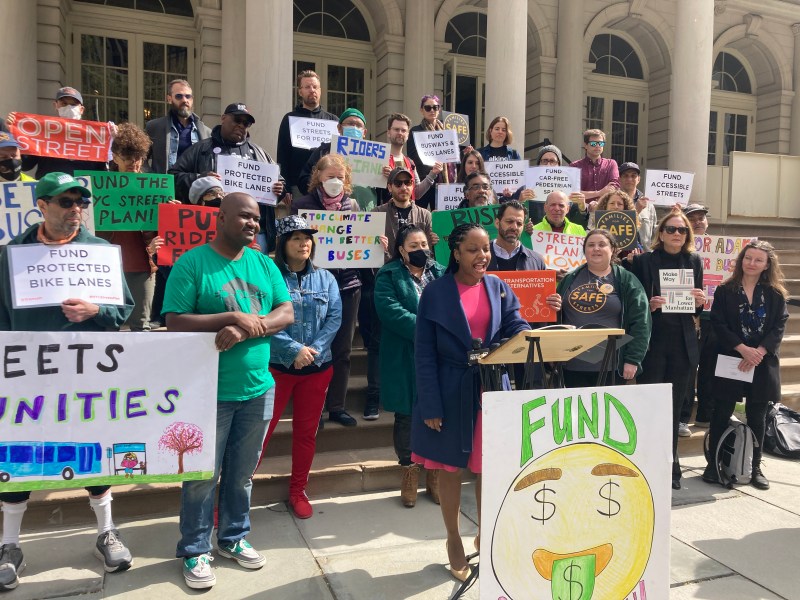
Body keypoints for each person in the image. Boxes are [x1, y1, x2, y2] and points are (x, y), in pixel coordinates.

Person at [0, 172, 135, 591]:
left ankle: (106, 532)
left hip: (88, 373)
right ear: (41, 206)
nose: (76, 209)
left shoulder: (99, 252)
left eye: (81, 202)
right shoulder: (10, 256)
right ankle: (9, 546)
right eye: (65, 202)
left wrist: (97, 310)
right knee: (18, 455)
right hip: (28, 376)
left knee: (93, 448)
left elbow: (124, 309)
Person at [163, 192, 294, 590]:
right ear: (219, 219)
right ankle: (195, 549)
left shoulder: (264, 263)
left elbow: (285, 312)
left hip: (257, 388)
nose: (252, 224)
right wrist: (230, 315)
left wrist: (243, 327)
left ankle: (233, 538)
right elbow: (175, 321)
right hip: (209, 391)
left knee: (241, 475)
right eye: (243, 217)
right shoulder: (193, 263)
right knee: (203, 476)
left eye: (256, 219)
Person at [412, 223, 530, 581]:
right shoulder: (435, 293)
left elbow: (515, 323)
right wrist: (430, 405)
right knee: (451, 469)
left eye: (485, 250)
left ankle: (484, 530)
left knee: (487, 467)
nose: (482, 257)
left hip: (490, 388)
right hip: (449, 390)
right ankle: (453, 540)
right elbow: (424, 354)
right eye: (473, 250)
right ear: (457, 253)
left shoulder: (498, 286)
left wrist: (525, 332)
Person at [257, 215, 342, 518]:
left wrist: (313, 350)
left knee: (306, 434)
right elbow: (264, 318)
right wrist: (293, 349)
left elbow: (334, 318)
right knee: (259, 434)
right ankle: (231, 495)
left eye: (307, 237)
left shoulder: (326, 278)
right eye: (296, 237)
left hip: (316, 370)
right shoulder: (268, 277)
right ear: (282, 243)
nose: (303, 242)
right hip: (277, 368)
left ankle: (297, 490)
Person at [702, 241, 788, 490]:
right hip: (731, 357)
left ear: (767, 264)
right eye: (748, 258)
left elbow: (779, 326)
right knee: (721, 411)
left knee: (757, 416)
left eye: (758, 260)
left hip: (761, 361)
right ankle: (713, 464)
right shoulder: (725, 290)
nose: (752, 263)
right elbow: (718, 323)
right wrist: (742, 349)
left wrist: (758, 352)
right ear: (741, 260)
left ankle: (755, 466)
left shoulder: (775, 293)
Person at [629, 209, 705, 490]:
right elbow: (635, 302)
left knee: (673, 408)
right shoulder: (646, 261)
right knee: (650, 405)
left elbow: (697, 307)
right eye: (671, 229)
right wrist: (649, 305)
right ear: (660, 233)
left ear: (688, 234)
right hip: (654, 342)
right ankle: (646, 463)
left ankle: (671, 465)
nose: (677, 234)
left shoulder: (694, 260)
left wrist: (700, 300)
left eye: (682, 230)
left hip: (683, 343)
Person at [375, 224, 446, 508]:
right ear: (401, 250)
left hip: (441, 356)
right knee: (407, 415)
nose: (420, 250)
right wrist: (428, 329)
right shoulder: (388, 275)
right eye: (413, 246)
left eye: (424, 245)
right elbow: (389, 309)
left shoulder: (441, 272)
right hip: (405, 353)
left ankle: (436, 475)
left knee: (440, 412)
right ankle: (409, 473)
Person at [293, 154, 364, 427]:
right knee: (314, 347)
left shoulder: (353, 206)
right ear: (318, 177)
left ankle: (337, 406)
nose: (335, 181)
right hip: (313, 288)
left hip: (347, 286)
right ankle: (315, 410)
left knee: (342, 350)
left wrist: (374, 243)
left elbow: (360, 242)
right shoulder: (303, 206)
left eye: (340, 176)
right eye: (329, 176)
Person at [169, 102, 286, 253]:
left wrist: (279, 189)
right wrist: (201, 177)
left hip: (253, 233)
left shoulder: (259, 153)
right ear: (223, 118)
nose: (241, 125)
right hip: (211, 228)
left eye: (246, 123)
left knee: (249, 275)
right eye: (237, 120)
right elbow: (173, 176)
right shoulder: (202, 148)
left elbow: (280, 182)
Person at [555, 229, 651, 387]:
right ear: (584, 251)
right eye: (591, 245)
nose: (596, 249)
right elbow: (556, 317)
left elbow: (642, 322)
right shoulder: (569, 279)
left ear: (612, 249)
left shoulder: (627, 280)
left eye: (602, 244)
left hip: (611, 365)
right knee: (577, 412)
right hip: (573, 364)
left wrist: (633, 359)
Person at [97, 122, 165, 331]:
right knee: (109, 326)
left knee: (141, 326)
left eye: (137, 159)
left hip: (142, 266)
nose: (132, 164)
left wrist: (169, 216)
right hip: (106, 267)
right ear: (115, 157)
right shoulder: (100, 187)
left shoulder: (154, 189)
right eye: (126, 158)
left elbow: (167, 233)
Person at [7, 87, 109, 178]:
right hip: (49, 194)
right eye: (64, 103)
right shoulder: (41, 132)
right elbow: (26, 165)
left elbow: (103, 171)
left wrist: (111, 139)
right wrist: (14, 133)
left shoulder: (94, 135)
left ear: (81, 109)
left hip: (83, 193)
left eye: (73, 104)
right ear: (55, 105)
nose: (69, 107)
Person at [678, 203, 715, 433]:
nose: (698, 221)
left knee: (711, 367)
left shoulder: (722, 248)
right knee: (689, 368)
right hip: (690, 316)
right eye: (692, 218)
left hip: (717, 318)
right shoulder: (681, 248)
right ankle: (683, 416)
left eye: (701, 217)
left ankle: (706, 414)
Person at [276, 70, 338, 194]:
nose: (312, 90)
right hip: (297, 187)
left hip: (329, 186)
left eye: (315, 87)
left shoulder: (333, 120)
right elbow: (283, 155)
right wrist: (285, 188)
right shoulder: (290, 119)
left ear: (320, 90)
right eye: (307, 87)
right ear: (300, 91)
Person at [145, 79, 211, 174]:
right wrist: (153, 180)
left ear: (192, 99)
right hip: (165, 186)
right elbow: (141, 158)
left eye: (188, 96)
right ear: (169, 99)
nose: (184, 100)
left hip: (194, 186)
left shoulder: (207, 133)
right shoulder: (153, 127)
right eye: (179, 96)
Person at [298, 108, 369, 196]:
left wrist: (386, 176)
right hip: (328, 207)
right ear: (339, 128)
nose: (354, 128)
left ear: (364, 132)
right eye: (350, 124)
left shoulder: (376, 157)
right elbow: (304, 180)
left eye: (358, 125)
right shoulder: (323, 151)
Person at [406, 95, 457, 210]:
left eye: (435, 107)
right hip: (424, 181)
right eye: (428, 108)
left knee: (439, 218)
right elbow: (412, 156)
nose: (432, 110)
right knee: (420, 216)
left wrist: (465, 152)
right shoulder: (415, 131)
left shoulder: (446, 132)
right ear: (421, 110)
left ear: (439, 110)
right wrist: (434, 158)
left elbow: (452, 158)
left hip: (442, 184)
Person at [379, 112, 441, 205]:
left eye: (403, 130)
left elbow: (417, 193)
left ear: (407, 135)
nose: (400, 133)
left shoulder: (410, 163)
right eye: (396, 129)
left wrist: (433, 173)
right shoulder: (379, 159)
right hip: (386, 216)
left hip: (408, 216)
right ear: (388, 133)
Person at [534, 144, 588, 226]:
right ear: (539, 164)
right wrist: (521, 201)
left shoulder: (569, 189)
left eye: (552, 161)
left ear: (559, 165)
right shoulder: (529, 190)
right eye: (544, 161)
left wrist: (582, 209)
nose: (548, 165)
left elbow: (579, 224)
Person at [487, 200, 545, 271]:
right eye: (509, 221)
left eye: (519, 223)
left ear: (523, 226)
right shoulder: (479, 257)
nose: (514, 227)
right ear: (497, 223)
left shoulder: (537, 262)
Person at [570, 128, 619, 202]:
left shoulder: (611, 164)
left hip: (604, 210)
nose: (597, 146)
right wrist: (599, 193)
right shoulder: (575, 166)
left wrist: (598, 203)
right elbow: (572, 193)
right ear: (585, 145)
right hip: (581, 210)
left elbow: (615, 186)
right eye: (593, 143)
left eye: (600, 143)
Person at [618, 162, 657, 248]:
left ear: (638, 179)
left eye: (633, 176)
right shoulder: (613, 202)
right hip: (619, 255)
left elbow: (655, 233)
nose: (629, 179)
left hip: (644, 256)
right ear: (619, 179)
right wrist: (636, 211)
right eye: (625, 175)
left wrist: (673, 214)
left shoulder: (649, 205)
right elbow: (615, 230)